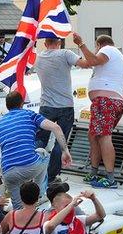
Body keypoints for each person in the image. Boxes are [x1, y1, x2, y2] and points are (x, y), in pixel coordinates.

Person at [0, 91, 72, 210]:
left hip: (8, 173)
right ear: (22, 104)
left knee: (18, 209)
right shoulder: (30, 115)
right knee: (43, 154)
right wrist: (65, 151)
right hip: (31, 166)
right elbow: (56, 127)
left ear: (7, 106)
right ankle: (39, 194)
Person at [73, 33, 123, 189]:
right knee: (93, 135)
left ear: (99, 45)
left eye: (96, 48)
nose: (96, 51)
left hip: (104, 102)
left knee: (103, 137)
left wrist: (81, 44)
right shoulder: (122, 61)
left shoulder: (108, 50)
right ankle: (94, 172)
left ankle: (110, 178)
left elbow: (94, 61)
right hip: (114, 103)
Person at [34, 37, 90, 183]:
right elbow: (86, 64)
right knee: (61, 142)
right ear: (59, 43)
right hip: (65, 106)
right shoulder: (65, 54)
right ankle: (51, 177)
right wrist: (81, 44)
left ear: (45, 44)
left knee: (40, 139)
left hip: (46, 106)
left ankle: (35, 170)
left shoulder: (39, 58)